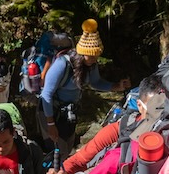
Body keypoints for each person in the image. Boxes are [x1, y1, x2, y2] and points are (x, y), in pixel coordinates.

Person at [39, 19, 130, 152]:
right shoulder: (62, 64)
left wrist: (117, 86)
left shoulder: (90, 65)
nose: (95, 59)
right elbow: (46, 94)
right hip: (51, 111)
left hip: (68, 112)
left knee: (67, 147)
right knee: (55, 149)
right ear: (82, 53)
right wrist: (50, 123)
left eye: (96, 56)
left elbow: (96, 82)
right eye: (91, 56)